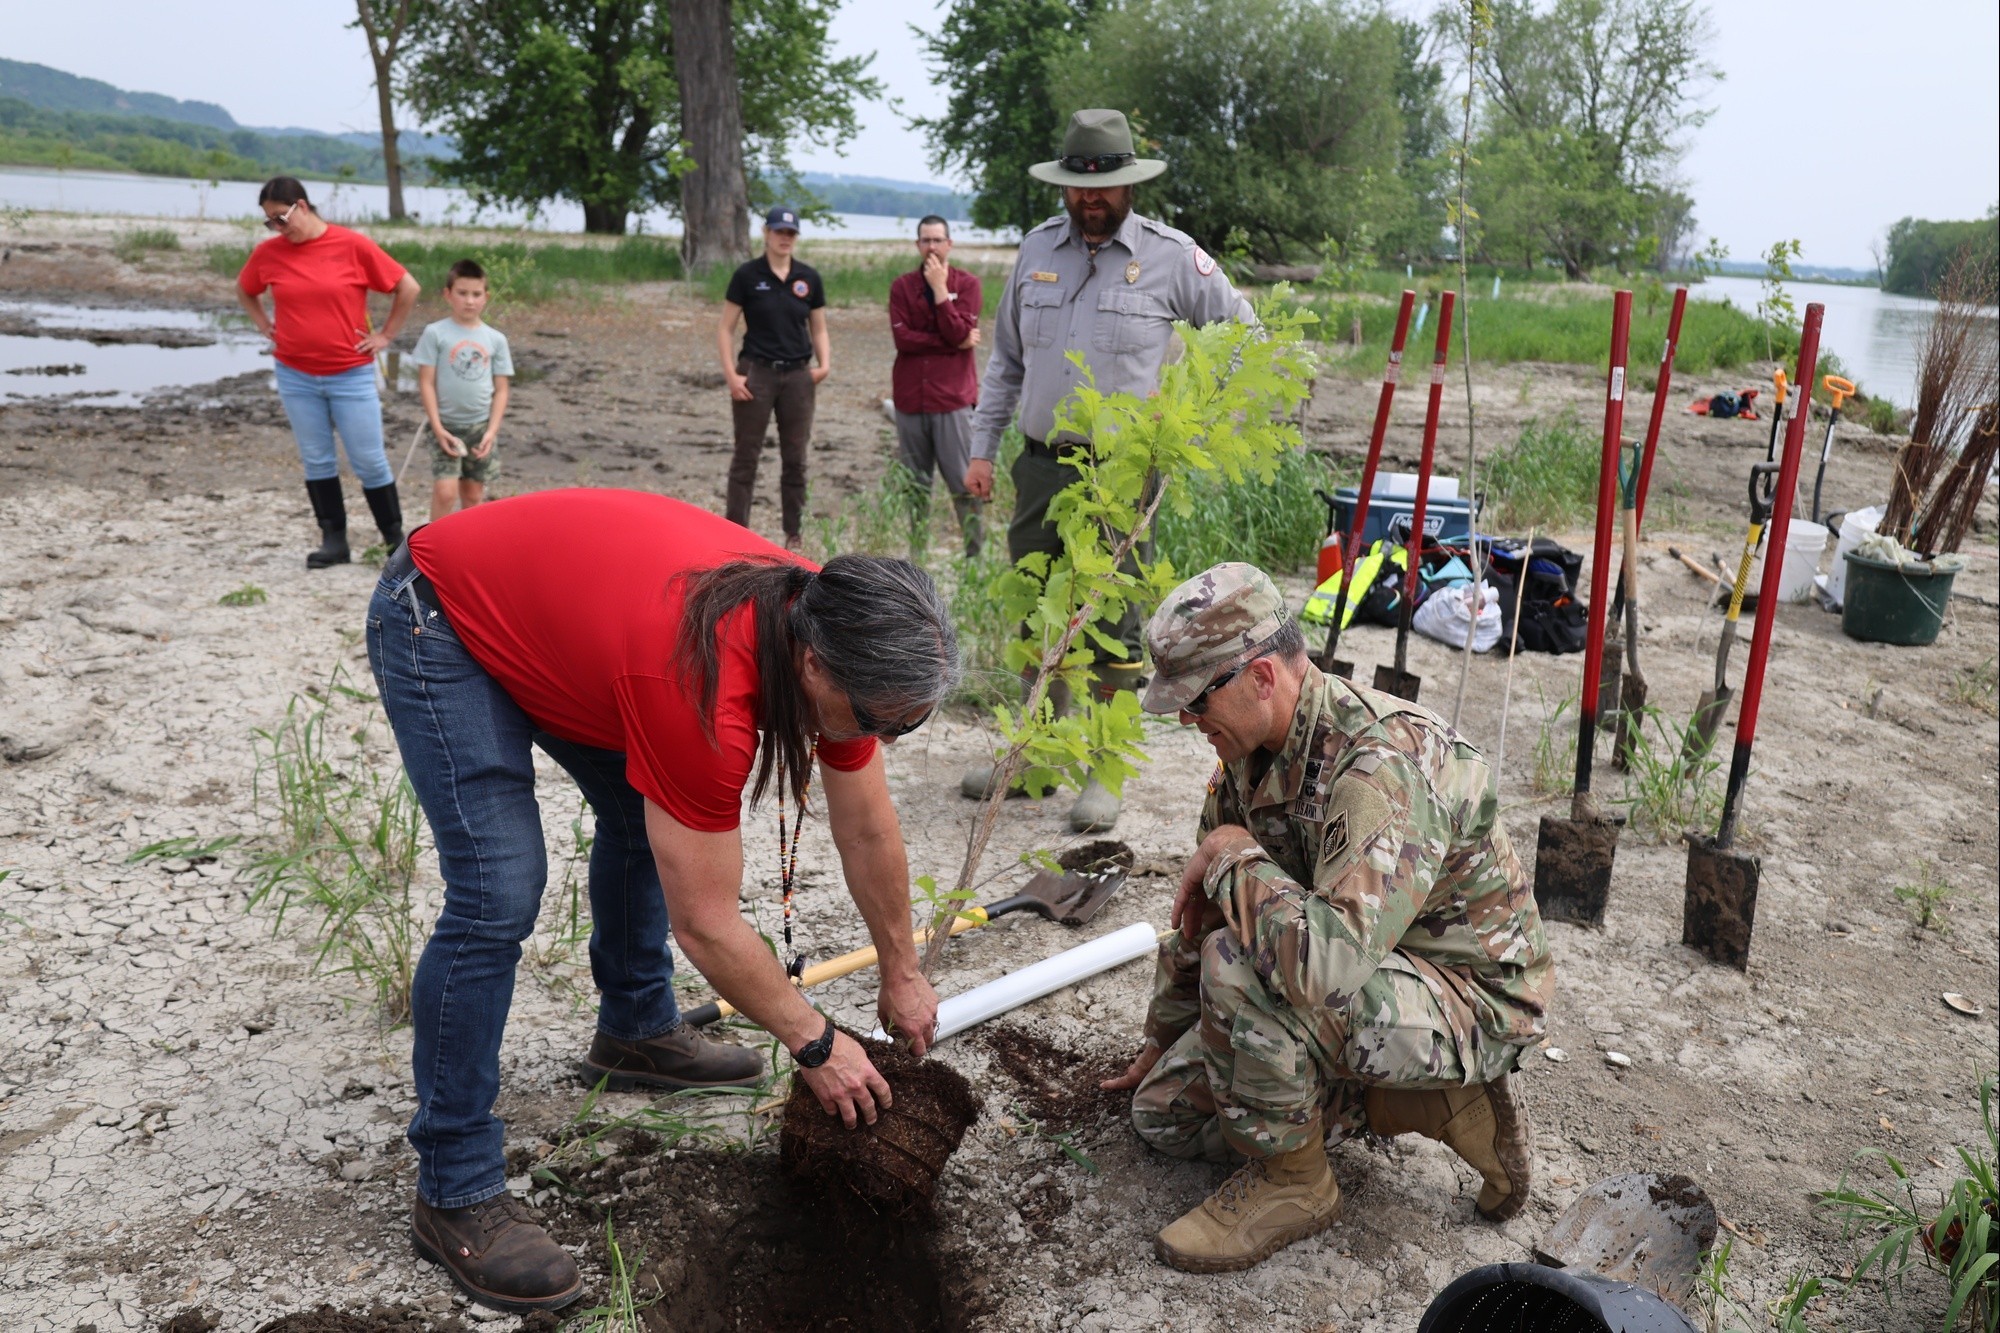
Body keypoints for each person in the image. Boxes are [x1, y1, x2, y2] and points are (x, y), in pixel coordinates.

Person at [369, 489, 956, 1313]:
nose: (884, 740)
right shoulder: (703, 689)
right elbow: (706, 921)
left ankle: (636, 1029)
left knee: (636, 815)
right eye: (880, 721)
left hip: (579, 625)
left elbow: (866, 828)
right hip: (445, 616)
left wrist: (902, 968)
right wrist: (814, 1039)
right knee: (498, 890)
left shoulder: (834, 623)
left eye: (909, 725)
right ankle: (453, 1185)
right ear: (816, 666)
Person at [1100, 563, 1555, 1274]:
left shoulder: (1380, 766)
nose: (1187, 720)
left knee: (1238, 965)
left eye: (1195, 699)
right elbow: (1203, 912)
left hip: (1468, 997)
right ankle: (1419, 1103)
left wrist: (1227, 855)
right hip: (1369, 978)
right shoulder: (1249, 758)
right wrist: (1160, 1038)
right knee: (1166, 1112)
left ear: (1260, 677)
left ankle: (1295, 1182)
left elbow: (1326, 966)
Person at [960, 109, 1252, 833]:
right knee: (1036, 611)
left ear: (1129, 184)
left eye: (1105, 189)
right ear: (1064, 186)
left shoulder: (1170, 257)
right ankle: (1032, 756)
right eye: (1078, 189)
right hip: (1038, 468)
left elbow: (1245, 336)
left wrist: (1189, 422)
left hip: (1122, 477)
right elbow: (1005, 361)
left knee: (1113, 624)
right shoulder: (1035, 253)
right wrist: (978, 446)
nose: (1091, 201)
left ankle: (1103, 768)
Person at [235, 176, 419, 568]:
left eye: (280, 218)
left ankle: (395, 542)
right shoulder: (269, 254)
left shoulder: (351, 245)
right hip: (295, 374)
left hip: (350, 374)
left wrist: (385, 335)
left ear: (301, 206)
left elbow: (408, 287)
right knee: (317, 459)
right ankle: (334, 541)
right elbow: (246, 288)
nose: (276, 228)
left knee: (369, 459)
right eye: (269, 222)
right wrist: (262, 324)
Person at [717, 207, 829, 549]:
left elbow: (819, 328)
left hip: (798, 375)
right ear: (766, 233)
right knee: (746, 455)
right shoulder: (747, 275)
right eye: (779, 231)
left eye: (791, 233)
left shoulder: (808, 278)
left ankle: (793, 534)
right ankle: (735, 531)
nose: (785, 238)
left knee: (795, 458)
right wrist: (731, 376)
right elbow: (725, 328)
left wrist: (825, 364)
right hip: (756, 372)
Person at [888, 214, 985, 557]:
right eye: (925, 240)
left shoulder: (968, 284)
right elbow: (903, 340)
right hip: (911, 400)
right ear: (917, 245)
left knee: (963, 483)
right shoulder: (902, 286)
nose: (931, 247)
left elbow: (962, 333)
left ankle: (974, 556)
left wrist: (942, 292)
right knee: (916, 486)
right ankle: (918, 556)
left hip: (952, 401)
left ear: (949, 244)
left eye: (937, 240)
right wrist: (950, 341)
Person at [412, 259, 513, 522]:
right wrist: (437, 427)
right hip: (445, 425)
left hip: (480, 428)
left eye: (476, 294)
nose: (470, 301)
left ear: (486, 297)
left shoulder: (495, 339)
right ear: (448, 294)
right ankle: (433, 551)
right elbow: (426, 382)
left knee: (473, 495)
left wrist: (491, 431)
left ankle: (470, 551)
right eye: (462, 293)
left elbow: (501, 389)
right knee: (445, 492)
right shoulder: (435, 333)